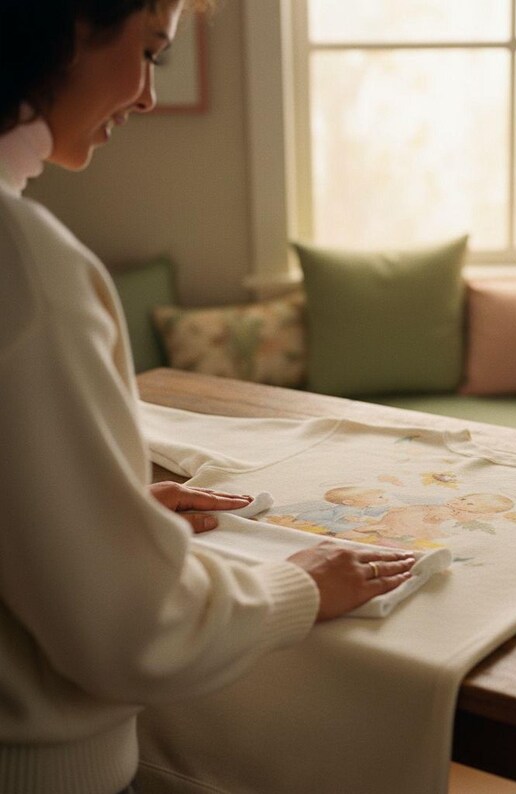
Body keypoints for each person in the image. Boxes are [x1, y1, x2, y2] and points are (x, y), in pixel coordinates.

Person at [0, 2, 415, 792]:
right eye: (150, 50)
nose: (150, 95)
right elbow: (136, 630)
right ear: (63, 27)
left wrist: (95, 516)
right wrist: (299, 584)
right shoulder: (25, 266)